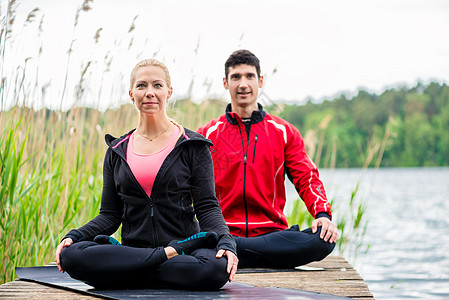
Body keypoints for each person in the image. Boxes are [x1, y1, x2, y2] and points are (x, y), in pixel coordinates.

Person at [55, 59, 238, 290]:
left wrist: (226, 242)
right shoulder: (117, 150)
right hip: (136, 250)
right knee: (71, 255)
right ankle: (160, 259)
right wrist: (75, 236)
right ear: (131, 94)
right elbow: (110, 215)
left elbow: (207, 207)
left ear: (168, 92)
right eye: (142, 86)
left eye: (157, 85)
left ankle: (130, 271)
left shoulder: (193, 146)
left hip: (184, 249)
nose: (149, 92)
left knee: (214, 268)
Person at [197, 50, 338, 269]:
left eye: (249, 76)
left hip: (272, 234)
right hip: (223, 233)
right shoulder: (207, 134)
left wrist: (322, 214)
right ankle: (244, 250)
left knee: (324, 239)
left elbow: (306, 177)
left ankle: (238, 252)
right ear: (225, 83)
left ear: (260, 81)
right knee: (199, 237)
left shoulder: (284, 131)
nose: (243, 84)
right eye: (236, 77)